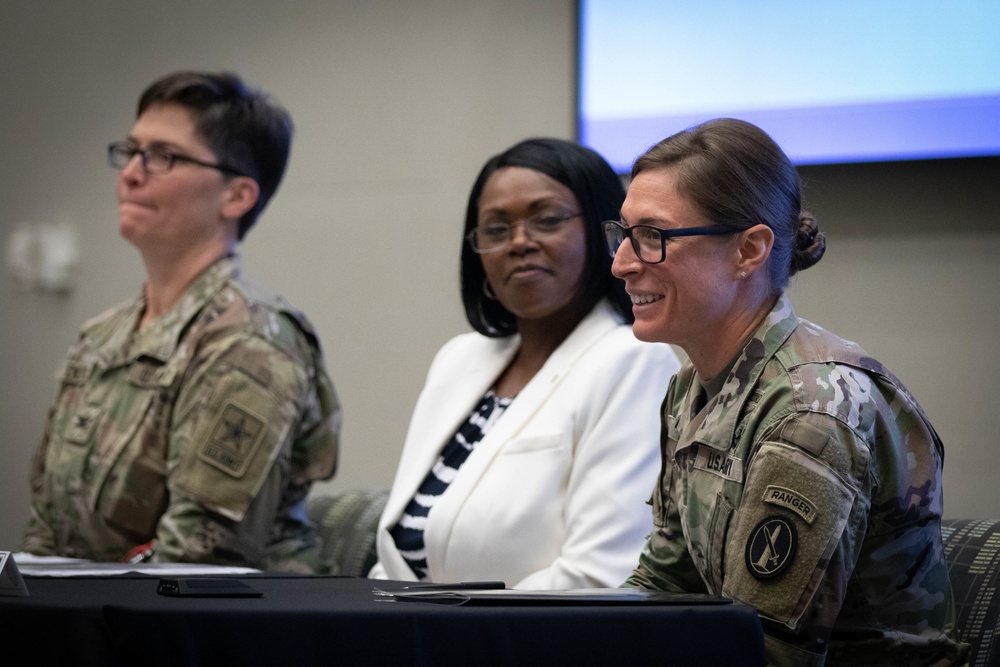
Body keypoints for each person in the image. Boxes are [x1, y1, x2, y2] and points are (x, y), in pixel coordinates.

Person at [607, 118, 969, 664]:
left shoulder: (810, 410)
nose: (622, 264)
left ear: (749, 250)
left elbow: (766, 652)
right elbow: (665, 585)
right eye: (625, 234)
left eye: (653, 237)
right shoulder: (692, 388)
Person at [18, 71, 341, 572]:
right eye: (130, 151)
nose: (130, 173)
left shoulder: (252, 340)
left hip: (212, 637)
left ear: (236, 196)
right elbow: (46, 530)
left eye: (164, 157)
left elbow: (198, 558)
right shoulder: (102, 336)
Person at [369, 138, 680, 589]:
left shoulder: (632, 361)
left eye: (548, 220)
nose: (519, 242)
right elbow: (395, 561)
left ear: (602, 231)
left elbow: (600, 577)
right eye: (496, 229)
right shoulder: (459, 360)